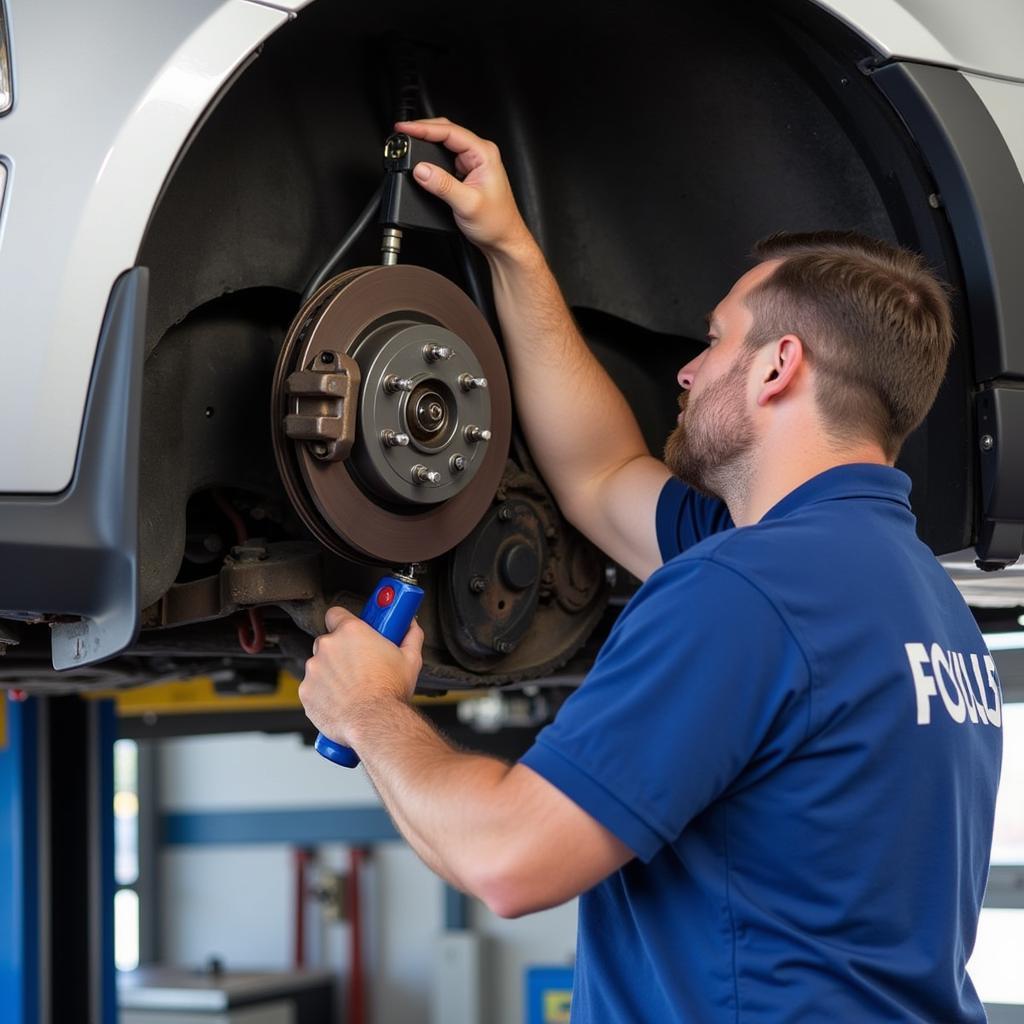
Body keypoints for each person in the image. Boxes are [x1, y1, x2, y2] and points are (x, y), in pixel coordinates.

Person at [298, 118, 1002, 1022]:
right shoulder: (917, 599)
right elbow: (598, 474)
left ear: (779, 366)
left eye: (714, 342)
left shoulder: (747, 591)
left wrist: (368, 709)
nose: (686, 370)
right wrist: (510, 248)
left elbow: (508, 860)